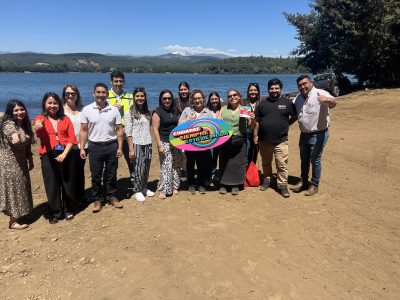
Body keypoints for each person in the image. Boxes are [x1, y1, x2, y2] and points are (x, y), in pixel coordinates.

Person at [33, 92, 78, 223]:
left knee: (67, 182)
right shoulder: (41, 118)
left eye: (55, 103)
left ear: (59, 104)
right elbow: (37, 124)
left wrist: (64, 154)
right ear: (44, 104)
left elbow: (72, 139)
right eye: (50, 103)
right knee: (52, 184)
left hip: (65, 152)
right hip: (48, 154)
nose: (52, 105)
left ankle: (69, 209)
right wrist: (37, 124)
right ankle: (56, 212)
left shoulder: (65, 119)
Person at [80, 83, 124, 212]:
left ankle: (112, 196)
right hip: (94, 146)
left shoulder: (114, 110)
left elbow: (119, 130)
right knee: (96, 175)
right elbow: (83, 130)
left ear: (107, 94)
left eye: (103, 92)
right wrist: (82, 148)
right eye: (98, 92)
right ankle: (97, 199)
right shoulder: (87, 110)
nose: (101, 95)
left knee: (111, 173)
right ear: (94, 94)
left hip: (111, 145)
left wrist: (120, 147)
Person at [291, 74, 336, 196]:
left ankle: (314, 185)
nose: (302, 86)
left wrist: (326, 100)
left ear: (311, 83)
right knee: (304, 159)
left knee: (315, 160)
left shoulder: (320, 93)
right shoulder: (298, 98)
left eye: (305, 83)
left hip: (318, 134)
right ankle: (303, 181)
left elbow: (334, 103)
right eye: (300, 85)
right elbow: (294, 114)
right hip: (304, 134)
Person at [253, 78, 297, 198]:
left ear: (280, 89)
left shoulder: (287, 103)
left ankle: (282, 185)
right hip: (264, 140)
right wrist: (255, 135)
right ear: (268, 89)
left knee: (281, 164)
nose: (274, 90)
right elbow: (257, 121)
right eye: (271, 88)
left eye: (276, 88)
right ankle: (267, 180)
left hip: (281, 140)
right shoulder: (262, 104)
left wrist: (285, 125)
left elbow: (294, 117)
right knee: (266, 163)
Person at [0, 99, 34, 230]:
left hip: (21, 162)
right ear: (10, 112)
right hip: (9, 164)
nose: (20, 112)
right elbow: (10, 132)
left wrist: (30, 159)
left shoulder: (22, 124)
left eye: (21, 109)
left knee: (22, 188)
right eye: (16, 110)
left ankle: (20, 214)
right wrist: (14, 136)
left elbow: (27, 147)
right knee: (14, 190)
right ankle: (13, 222)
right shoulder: (8, 124)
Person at [218, 88, 255, 195]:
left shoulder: (245, 109)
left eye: (234, 95)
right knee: (224, 162)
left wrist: (251, 119)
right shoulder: (224, 109)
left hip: (240, 140)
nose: (232, 97)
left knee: (238, 163)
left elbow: (251, 126)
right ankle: (224, 185)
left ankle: (236, 185)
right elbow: (217, 123)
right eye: (229, 96)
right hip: (225, 140)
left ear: (239, 97)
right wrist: (219, 120)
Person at [179, 89, 213, 194]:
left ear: (203, 99)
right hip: (190, 143)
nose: (197, 100)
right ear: (192, 100)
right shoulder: (187, 111)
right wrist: (188, 119)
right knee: (190, 164)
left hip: (203, 143)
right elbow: (179, 125)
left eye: (199, 98)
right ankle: (191, 184)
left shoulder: (208, 112)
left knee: (202, 164)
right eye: (195, 98)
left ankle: (201, 184)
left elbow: (213, 128)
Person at [125, 87, 155, 202]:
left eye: (142, 96)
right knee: (138, 168)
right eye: (137, 96)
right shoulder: (129, 112)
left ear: (145, 97)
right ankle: (137, 190)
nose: (140, 98)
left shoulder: (148, 110)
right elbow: (128, 133)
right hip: (137, 143)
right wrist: (131, 149)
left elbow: (149, 126)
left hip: (148, 142)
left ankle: (144, 187)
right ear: (134, 97)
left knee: (146, 167)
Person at [152, 89, 181, 199]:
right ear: (161, 99)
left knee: (176, 164)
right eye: (164, 98)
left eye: (169, 98)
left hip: (176, 141)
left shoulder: (175, 110)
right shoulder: (157, 112)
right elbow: (155, 129)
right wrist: (159, 145)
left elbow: (180, 125)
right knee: (166, 165)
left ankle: (175, 187)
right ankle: (164, 189)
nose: (167, 100)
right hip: (164, 141)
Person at [62, 84, 87, 207]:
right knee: (69, 173)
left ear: (77, 95)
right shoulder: (60, 110)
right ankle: (70, 199)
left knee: (79, 171)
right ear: (64, 95)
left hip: (82, 146)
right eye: (68, 93)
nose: (70, 96)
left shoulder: (82, 109)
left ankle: (80, 196)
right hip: (67, 147)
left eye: (73, 93)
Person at [107, 70, 134, 174]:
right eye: (116, 81)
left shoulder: (130, 96)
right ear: (111, 82)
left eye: (121, 81)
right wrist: (109, 107)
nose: (118, 83)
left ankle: (135, 182)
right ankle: (110, 185)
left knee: (132, 160)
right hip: (112, 136)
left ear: (124, 82)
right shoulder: (105, 96)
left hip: (128, 134)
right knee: (111, 163)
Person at [206, 91, 222, 181]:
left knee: (221, 157)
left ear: (219, 100)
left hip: (222, 139)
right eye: (212, 99)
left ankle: (220, 175)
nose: (214, 101)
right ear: (209, 100)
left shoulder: (223, 110)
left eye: (216, 99)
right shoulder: (207, 111)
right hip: (210, 140)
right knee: (211, 158)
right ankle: (211, 175)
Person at [245, 83, 261, 164]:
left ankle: (252, 172)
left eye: (255, 90)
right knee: (247, 153)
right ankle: (246, 172)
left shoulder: (261, 103)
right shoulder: (244, 102)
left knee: (255, 153)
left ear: (258, 91)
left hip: (259, 131)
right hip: (247, 131)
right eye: (251, 90)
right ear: (248, 91)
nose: (253, 92)